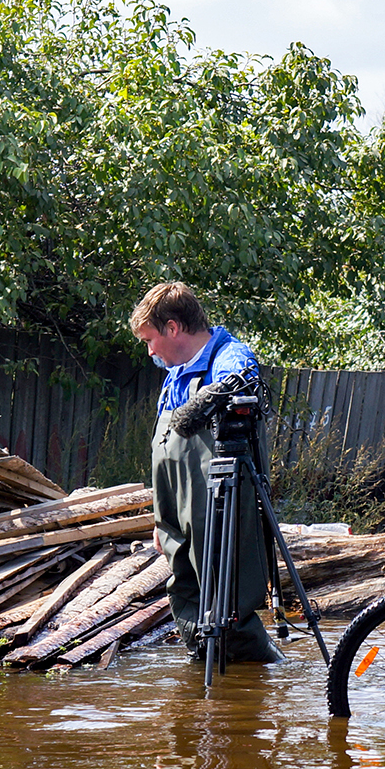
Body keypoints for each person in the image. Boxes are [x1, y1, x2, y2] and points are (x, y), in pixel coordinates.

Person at [130, 282, 284, 665]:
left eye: (150, 339)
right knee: (184, 588)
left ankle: (255, 680)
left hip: (220, 501)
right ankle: (202, 662)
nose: (149, 351)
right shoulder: (174, 373)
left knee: (227, 599)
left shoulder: (228, 355)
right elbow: (166, 454)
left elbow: (240, 381)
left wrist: (206, 401)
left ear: (173, 328)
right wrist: (159, 518)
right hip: (176, 509)